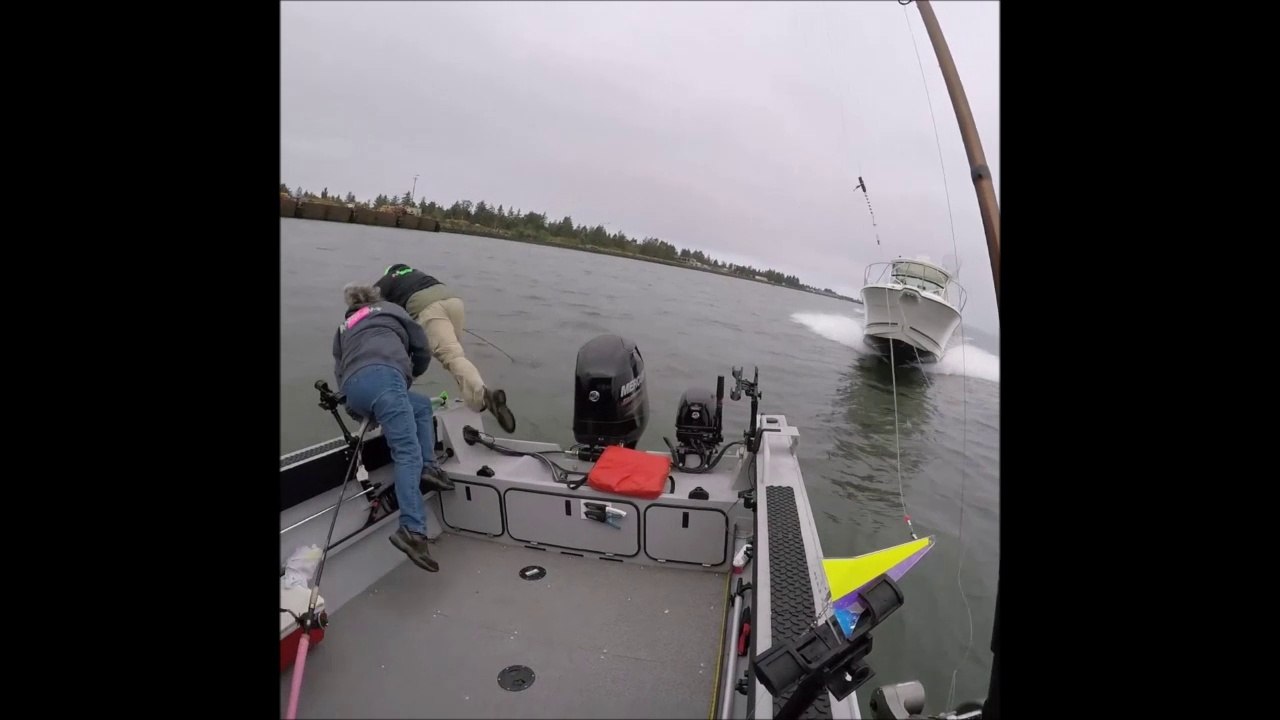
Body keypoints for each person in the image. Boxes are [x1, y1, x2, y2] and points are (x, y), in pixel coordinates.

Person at [332, 283, 454, 572]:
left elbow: (339, 368)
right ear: (375, 299)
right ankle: (412, 530)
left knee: (422, 406)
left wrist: (353, 404)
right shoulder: (391, 310)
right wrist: (412, 373)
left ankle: (429, 467)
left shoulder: (343, 326)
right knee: (406, 453)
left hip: (354, 389)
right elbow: (421, 347)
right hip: (386, 378)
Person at [374, 263, 517, 433]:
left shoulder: (384, 283)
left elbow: (370, 310)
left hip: (426, 307)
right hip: (453, 301)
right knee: (456, 359)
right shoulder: (416, 274)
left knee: (453, 358)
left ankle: (484, 394)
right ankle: (475, 403)